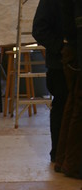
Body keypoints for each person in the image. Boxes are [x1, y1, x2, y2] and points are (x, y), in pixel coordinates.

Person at [32, 0, 68, 164]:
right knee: (61, 106)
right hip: (59, 65)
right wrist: (61, 47)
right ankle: (58, 153)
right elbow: (39, 30)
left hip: (70, 61)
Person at [53, 0, 82, 178]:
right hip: (75, 52)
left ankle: (64, 161)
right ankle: (71, 164)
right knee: (76, 108)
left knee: (74, 105)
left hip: (74, 51)